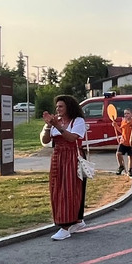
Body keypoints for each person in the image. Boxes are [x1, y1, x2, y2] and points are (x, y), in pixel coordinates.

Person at [42, 95, 88, 241]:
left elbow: (72, 138)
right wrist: (49, 125)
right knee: (56, 189)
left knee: (69, 190)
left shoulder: (78, 121)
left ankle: (66, 226)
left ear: (69, 107)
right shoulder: (56, 121)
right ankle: (76, 221)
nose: (58, 109)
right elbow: (45, 140)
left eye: (61, 106)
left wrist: (57, 126)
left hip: (72, 157)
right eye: (57, 107)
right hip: (57, 157)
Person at [114, 108, 132, 176]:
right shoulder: (123, 121)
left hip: (131, 142)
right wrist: (115, 126)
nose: (126, 115)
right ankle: (121, 166)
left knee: (130, 156)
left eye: (128, 113)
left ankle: (130, 170)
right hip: (123, 141)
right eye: (125, 113)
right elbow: (121, 130)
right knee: (118, 154)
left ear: (131, 114)